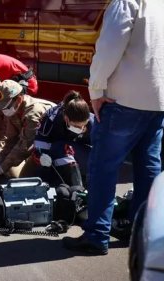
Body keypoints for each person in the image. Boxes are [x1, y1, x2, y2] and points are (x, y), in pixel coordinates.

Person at [63, 0, 164, 255]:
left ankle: (96, 236)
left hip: (123, 101)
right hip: (157, 101)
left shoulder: (127, 2)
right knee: (149, 167)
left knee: (103, 169)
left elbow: (109, 46)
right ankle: (141, 233)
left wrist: (95, 90)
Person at [0, 80, 55, 179]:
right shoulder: (12, 110)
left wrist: (1, 168)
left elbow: (25, 145)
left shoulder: (33, 112)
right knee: (8, 170)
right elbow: (11, 139)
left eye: (5, 107)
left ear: (19, 99)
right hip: (34, 146)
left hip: (52, 147)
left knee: (25, 178)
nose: (4, 111)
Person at [26, 90, 93, 187]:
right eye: (76, 126)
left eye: (84, 126)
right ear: (66, 118)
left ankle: (78, 188)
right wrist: (41, 156)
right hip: (54, 155)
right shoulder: (50, 119)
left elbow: (101, 149)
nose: (81, 129)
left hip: (79, 155)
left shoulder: (93, 122)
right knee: (58, 149)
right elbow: (40, 143)